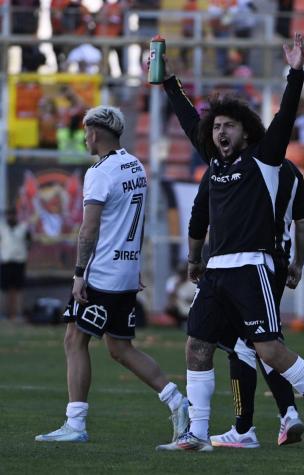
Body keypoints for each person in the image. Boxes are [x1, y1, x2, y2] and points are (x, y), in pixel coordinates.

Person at [154, 34, 304, 456]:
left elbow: (287, 113)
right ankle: (198, 434)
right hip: (217, 269)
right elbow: (190, 121)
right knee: (197, 345)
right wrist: (170, 83)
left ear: (246, 132)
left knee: (268, 350)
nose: (220, 131)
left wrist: (295, 72)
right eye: (217, 126)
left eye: (229, 126)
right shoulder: (215, 164)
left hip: (252, 267)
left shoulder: (266, 158)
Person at [34, 106, 189, 443]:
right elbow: (134, 220)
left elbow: (89, 230)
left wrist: (79, 274)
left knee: (75, 339)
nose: (85, 137)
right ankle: (177, 400)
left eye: (86, 131)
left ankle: (75, 425)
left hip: (102, 272)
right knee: (120, 348)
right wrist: (133, 265)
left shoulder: (100, 172)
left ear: (95, 132)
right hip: (125, 269)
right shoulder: (135, 165)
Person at [187, 159, 304, 448]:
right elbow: (303, 222)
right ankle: (280, 415)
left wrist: (196, 258)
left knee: (250, 342)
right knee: (257, 339)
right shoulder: (293, 171)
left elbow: (201, 213)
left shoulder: (240, 166)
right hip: (278, 261)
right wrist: (299, 263)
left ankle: (252, 426)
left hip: (247, 260)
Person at [0, 208, 31, 321]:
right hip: (5, 262)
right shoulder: (2, 228)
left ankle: (18, 314)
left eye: (12, 215)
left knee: (19, 289)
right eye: (8, 215)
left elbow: (29, 243)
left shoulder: (23, 228)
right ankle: (3, 314)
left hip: (19, 263)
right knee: (4, 290)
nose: (10, 217)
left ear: (15, 215)